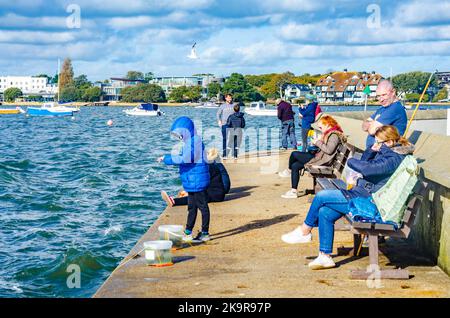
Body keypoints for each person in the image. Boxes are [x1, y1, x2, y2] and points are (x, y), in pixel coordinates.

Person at [281, 125, 414, 269]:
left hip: (370, 202)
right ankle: (324, 256)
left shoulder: (393, 158)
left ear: (389, 142)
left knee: (321, 197)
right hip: (363, 195)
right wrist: (372, 149)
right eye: (375, 141)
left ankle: (305, 230)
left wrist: (350, 161)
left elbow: (367, 169)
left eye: (378, 142)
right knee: (325, 212)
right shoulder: (387, 152)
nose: (375, 145)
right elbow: (366, 160)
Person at [157, 116, 211, 242]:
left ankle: (205, 233)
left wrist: (166, 158)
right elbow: (183, 156)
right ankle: (188, 232)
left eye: (180, 133)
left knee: (203, 207)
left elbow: (185, 159)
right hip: (192, 181)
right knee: (191, 207)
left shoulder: (195, 141)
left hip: (197, 180)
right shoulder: (190, 142)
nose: (178, 136)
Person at [279, 115, 346, 198]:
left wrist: (317, 142)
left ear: (328, 124)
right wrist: (315, 143)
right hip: (320, 157)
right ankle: (293, 191)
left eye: (321, 127)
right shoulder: (330, 133)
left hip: (323, 160)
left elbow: (329, 150)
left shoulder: (334, 136)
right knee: (295, 166)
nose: (320, 129)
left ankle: (289, 171)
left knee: (294, 154)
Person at [161, 148, 231, 207]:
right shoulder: (211, 165)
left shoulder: (209, 167)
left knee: (195, 199)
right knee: (196, 197)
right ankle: (174, 200)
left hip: (216, 194)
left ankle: (174, 201)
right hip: (216, 192)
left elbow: (200, 183)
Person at [362, 80, 407, 148]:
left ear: (393, 92)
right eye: (378, 96)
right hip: (374, 151)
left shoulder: (395, 108)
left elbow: (371, 130)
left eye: (384, 95)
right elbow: (364, 126)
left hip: (385, 153)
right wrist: (373, 124)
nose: (381, 99)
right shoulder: (382, 108)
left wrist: (372, 124)